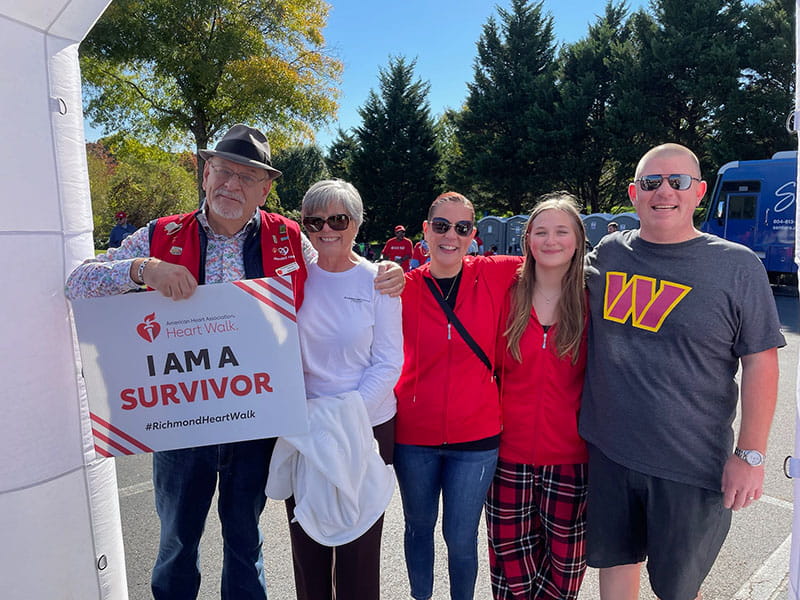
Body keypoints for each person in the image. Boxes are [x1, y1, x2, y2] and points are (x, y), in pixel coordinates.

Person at [65, 124, 404, 600]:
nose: (232, 185)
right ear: (205, 174)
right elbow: (78, 283)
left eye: (247, 177)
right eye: (224, 171)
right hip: (181, 421)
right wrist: (144, 269)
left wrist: (384, 274)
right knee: (177, 543)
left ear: (264, 190)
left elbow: (335, 267)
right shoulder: (161, 234)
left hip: (254, 420)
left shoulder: (289, 239)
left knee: (245, 541)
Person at [579, 143, 785, 600]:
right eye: (651, 183)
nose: (663, 191)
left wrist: (750, 455)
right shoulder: (611, 252)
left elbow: (760, 362)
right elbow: (544, 275)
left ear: (700, 192)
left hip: (690, 466)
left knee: (677, 590)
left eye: (678, 181)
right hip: (609, 452)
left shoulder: (736, 266)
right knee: (614, 569)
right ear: (634, 193)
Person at [393, 192, 522, 600]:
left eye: (462, 228)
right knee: (418, 526)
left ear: (474, 235)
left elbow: (558, 252)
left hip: (477, 437)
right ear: (425, 231)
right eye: (443, 226)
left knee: (461, 536)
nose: (452, 235)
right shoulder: (401, 286)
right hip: (414, 436)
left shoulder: (496, 273)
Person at [280, 179, 403, 600]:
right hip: (307, 429)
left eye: (338, 219)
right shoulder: (293, 282)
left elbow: (389, 361)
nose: (325, 229)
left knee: (359, 550)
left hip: (366, 428)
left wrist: (347, 415)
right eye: (314, 220)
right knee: (308, 547)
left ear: (356, 222)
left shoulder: (380, 281)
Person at [487, 194, 589, 600]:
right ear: (527, 239)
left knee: (563, 574)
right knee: (510, 571)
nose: (551, 240)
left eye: (561, 231)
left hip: (572, 461)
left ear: (578, 239)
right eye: (541, 231)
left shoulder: (593, 298)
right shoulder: (503, 292)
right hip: (507, 458)